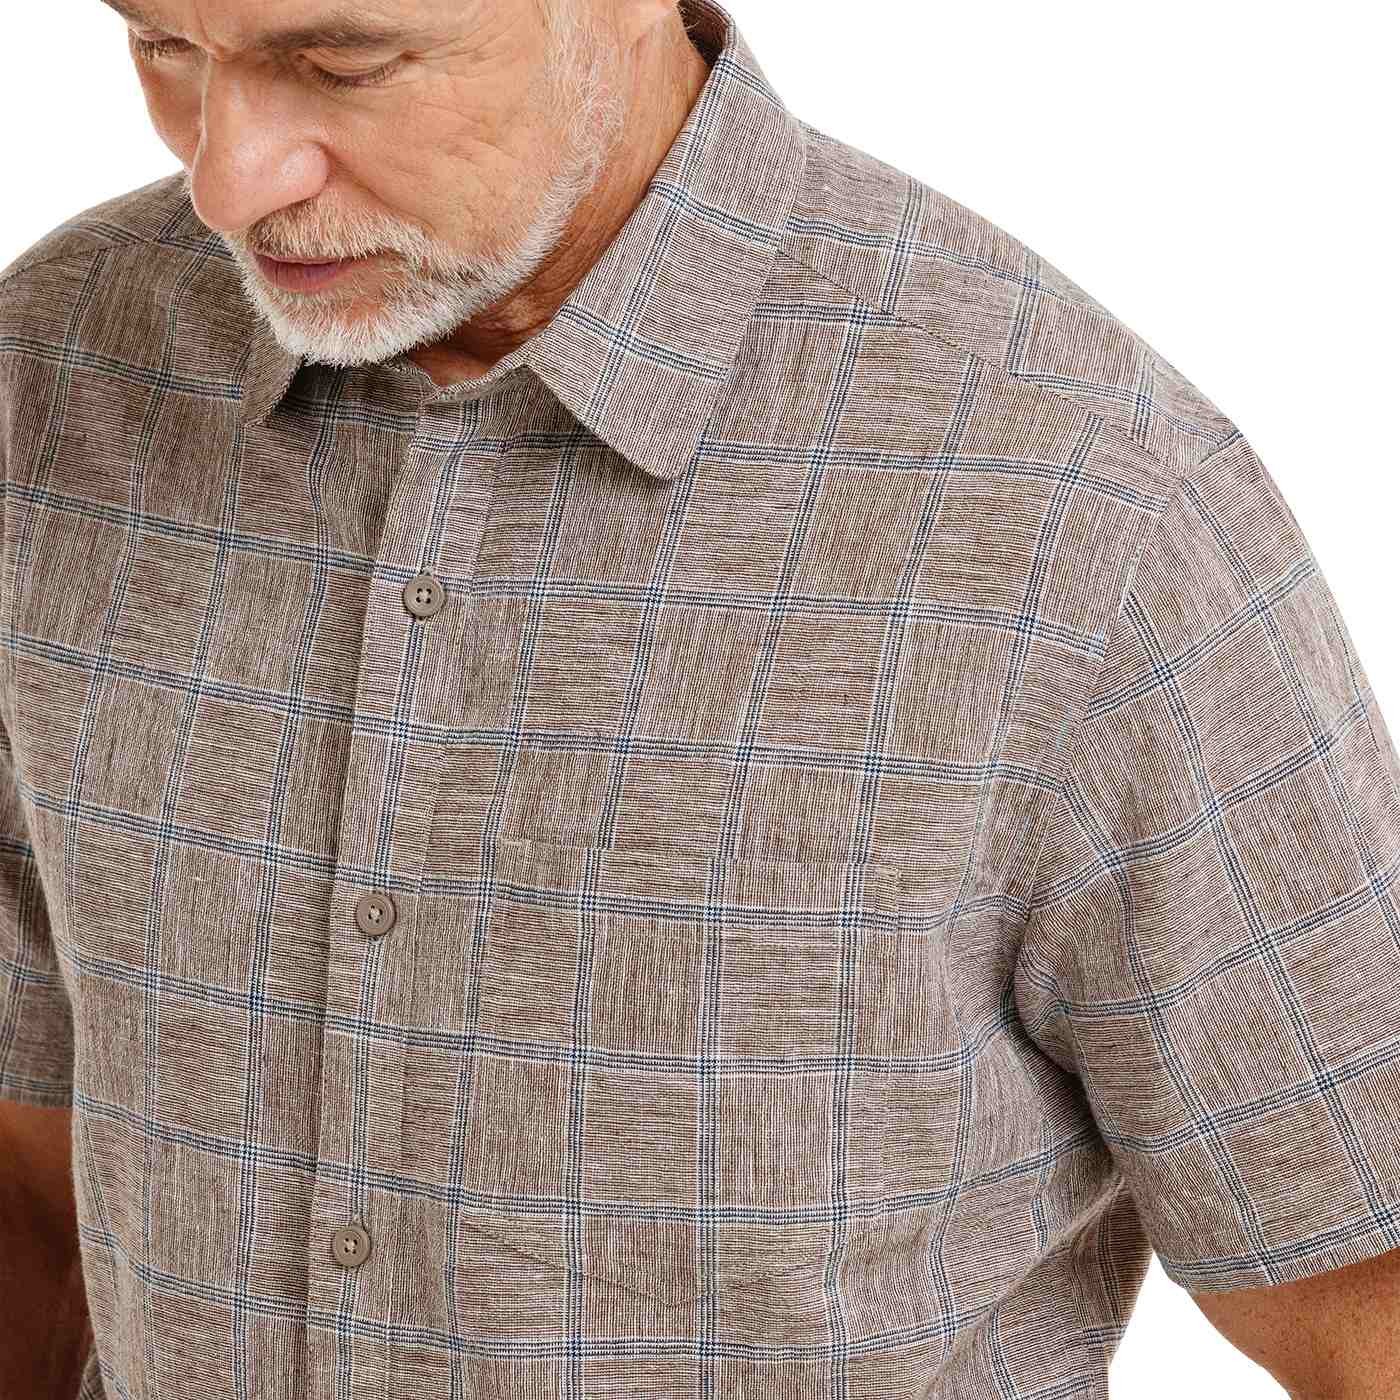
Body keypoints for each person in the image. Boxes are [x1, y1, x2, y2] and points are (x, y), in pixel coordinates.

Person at [2, 0, 1398, 1395]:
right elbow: (31, 1180)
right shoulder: (52, 377)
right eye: (163, 45)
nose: (229, 179)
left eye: (343, 63)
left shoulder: (1085, 497)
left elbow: (1360, 1290)